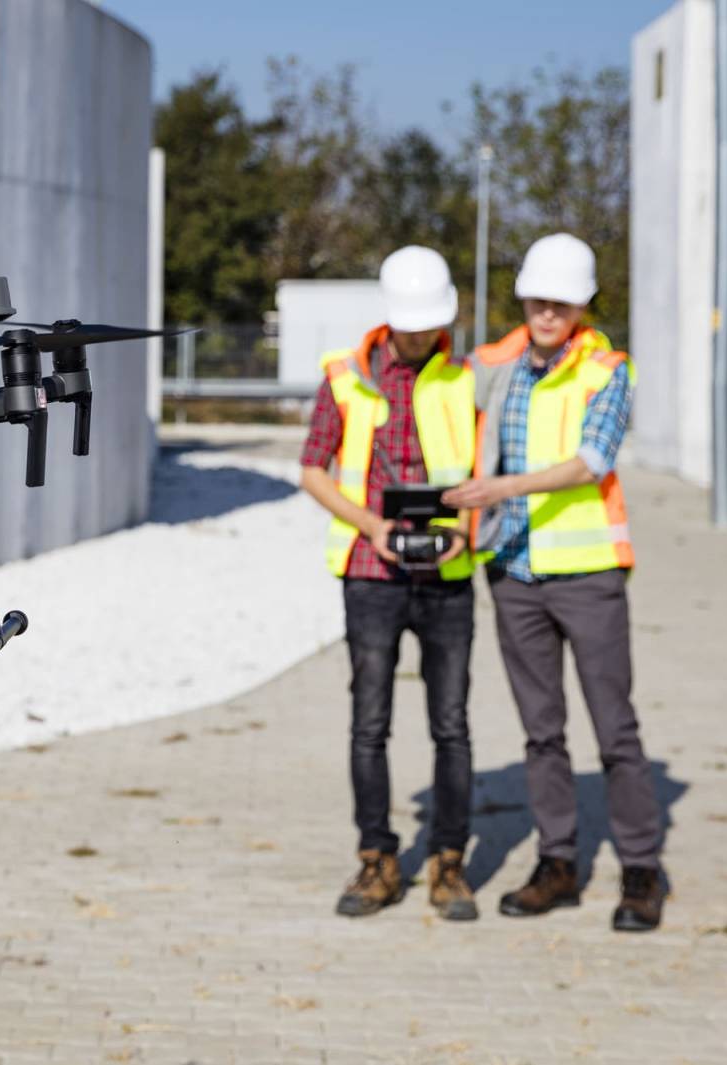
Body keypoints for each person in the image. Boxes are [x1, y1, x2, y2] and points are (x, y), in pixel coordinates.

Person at [443, 232, 665, 933]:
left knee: (614, 728)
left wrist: (500, 488)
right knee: (541, 733)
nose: (547, 313)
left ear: (582, 306)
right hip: (513, 571)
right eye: (538, 300)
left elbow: (593, 460)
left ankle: (641, 868)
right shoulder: (492, 365)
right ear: (523, 299)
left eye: (561, 303)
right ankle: (557, 862)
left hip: (588, 573)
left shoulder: (606, 371)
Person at [298, 246, 479, 922]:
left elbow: (486, 469)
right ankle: (377, 857)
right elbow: (312, 469)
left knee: (451, 724)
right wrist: (371, 525)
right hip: (371, 575)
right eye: (412, 324)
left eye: (431, 324)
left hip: (447, 575)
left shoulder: (468, 378)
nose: (421, 335)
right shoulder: (344, 378)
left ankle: (449, 861)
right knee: (369, 723)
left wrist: (466, 527)